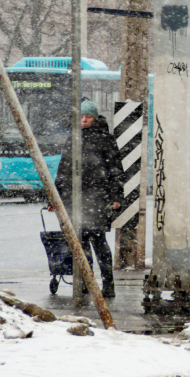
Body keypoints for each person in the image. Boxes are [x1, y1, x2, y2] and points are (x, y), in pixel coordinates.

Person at [52, 100, 124, 299]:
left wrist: (116, 197)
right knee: (80, 244)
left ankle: (108, 284)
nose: (84, 120)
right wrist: (54, 198)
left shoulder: (105, 140)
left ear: (95, 118)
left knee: (99, 242)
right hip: (75, 200)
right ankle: (85, 283)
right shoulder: (72, 139)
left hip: (98, 199)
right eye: (81, 116)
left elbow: (115, 170)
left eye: (88, 116)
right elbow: (63, 171)